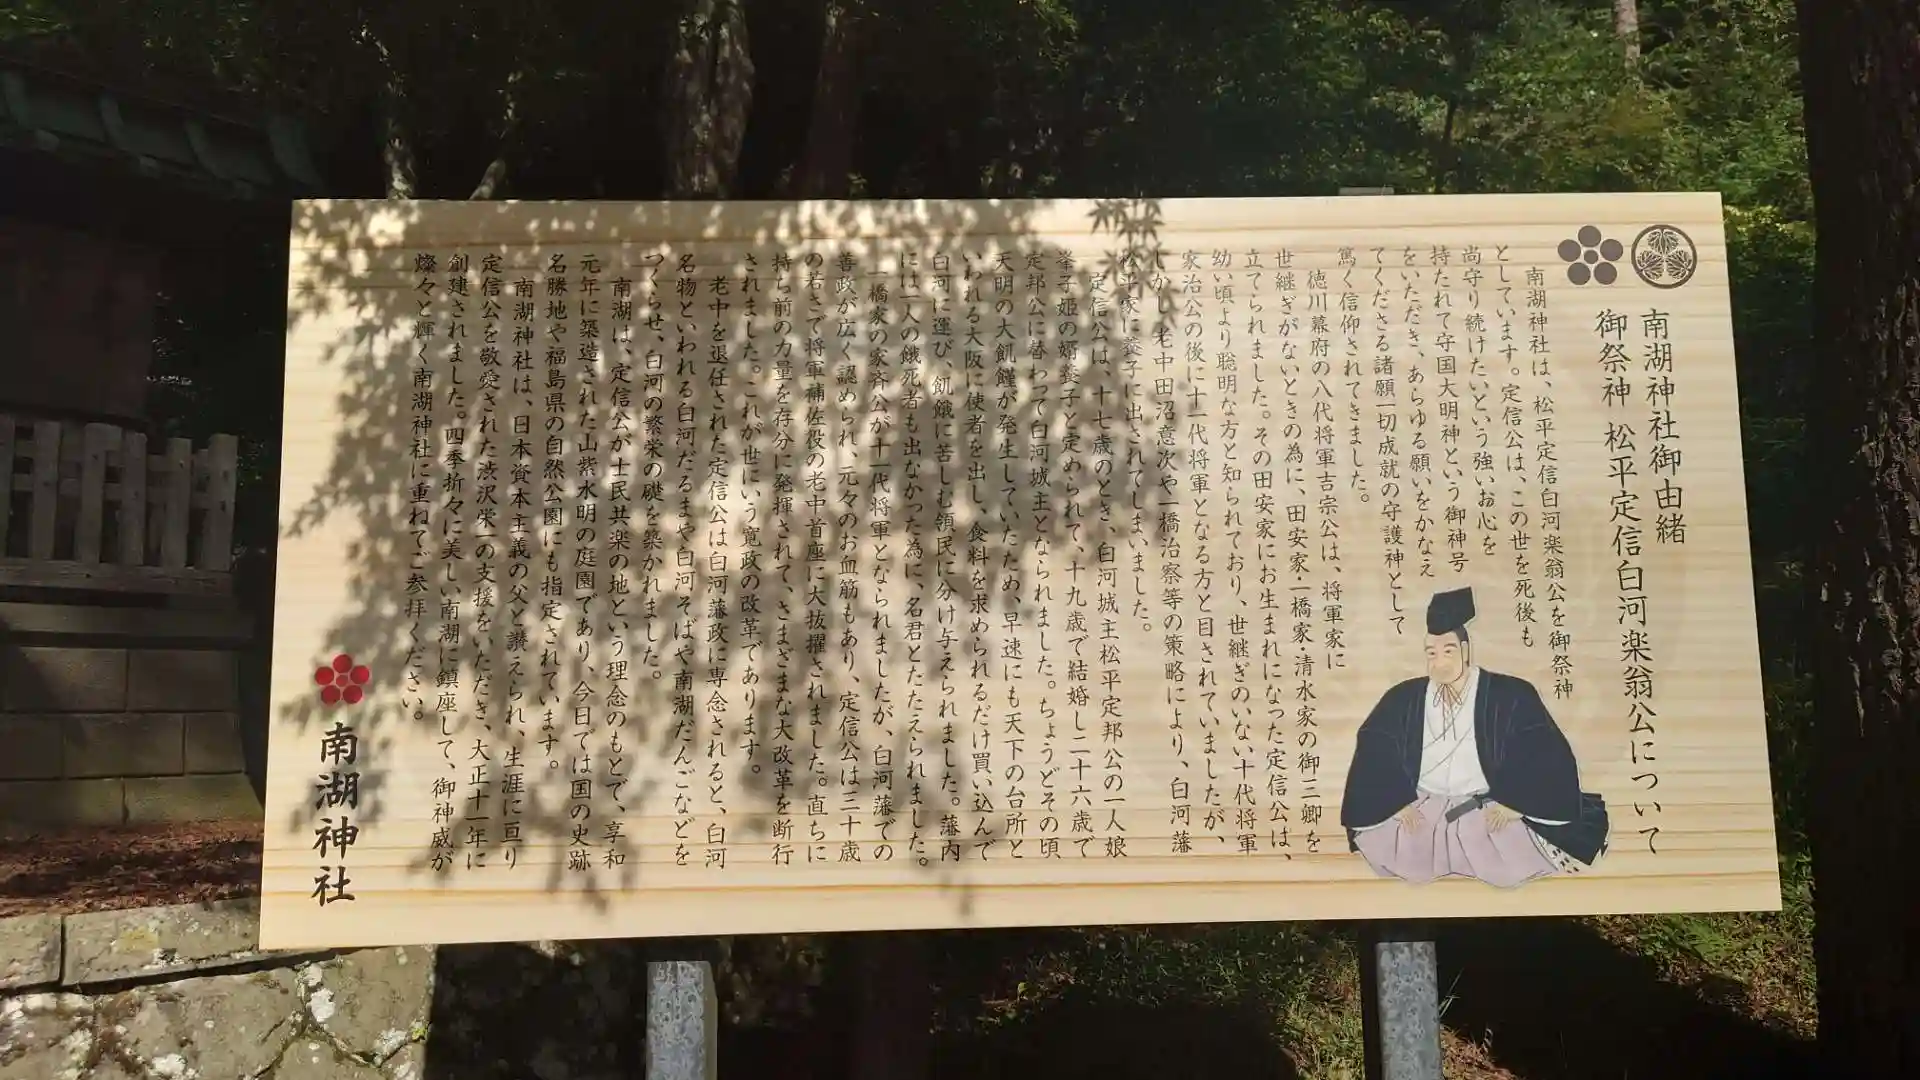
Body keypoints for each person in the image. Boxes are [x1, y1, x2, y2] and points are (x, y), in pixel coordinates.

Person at [1339, 586, 1609, 887]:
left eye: (1448, 651)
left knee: (1500, 852)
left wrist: (1516, 803)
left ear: (1466, 651)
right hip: (1423, 803)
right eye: (1431, 653)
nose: (1439, 662)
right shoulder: (1404, 697)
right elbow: (1375, 744)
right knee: (1402, 846)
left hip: (1488, 803)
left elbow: (1544, 750)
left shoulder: (1510, 694)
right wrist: (1394, 802)